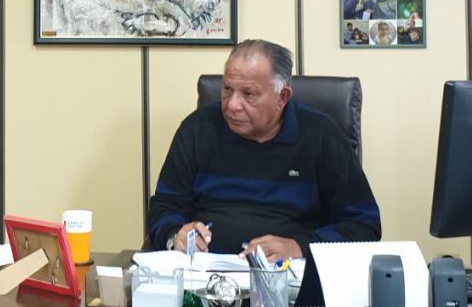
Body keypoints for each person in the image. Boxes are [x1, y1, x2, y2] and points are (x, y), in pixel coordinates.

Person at [145, 40, 381, 262]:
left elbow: (364, 225)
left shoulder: (321, 136)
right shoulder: (197, 129)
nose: (232, 105)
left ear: (282, 97)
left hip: (289, 275)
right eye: (227, 89)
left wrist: (300, 247)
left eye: (248, 94)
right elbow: (164, 207)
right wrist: (174, 235)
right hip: (205, 273)